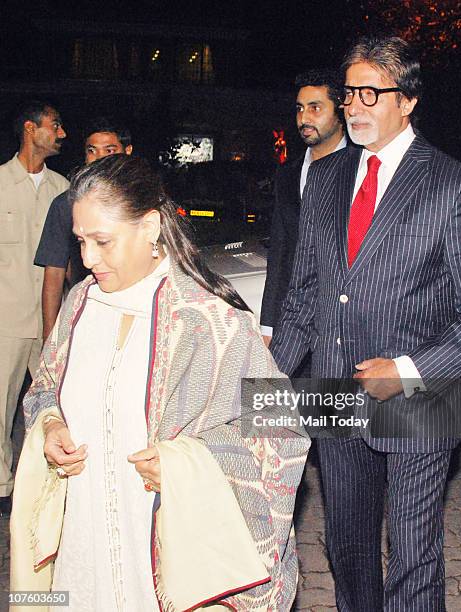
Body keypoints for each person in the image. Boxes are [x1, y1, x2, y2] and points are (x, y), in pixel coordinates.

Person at [11, 154, 310, 611]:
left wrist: (187, 464)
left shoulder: (211, 321)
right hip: (84, 541)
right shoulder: (78, 307)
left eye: (103, 242)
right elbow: (46, 386)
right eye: (81, 242)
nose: (88, 259)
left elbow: (281, 431)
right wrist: (50, 426)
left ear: (149, 227)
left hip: (170, 552)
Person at [270, 35, 461, 611]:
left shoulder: (459, 187)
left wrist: (411, 371)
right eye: (350, 94)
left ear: (408, 100)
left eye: (373, 93)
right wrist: (261, 379)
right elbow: (301, 299)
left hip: (428, 391)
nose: (356, 106)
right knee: (347, 545)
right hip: (334, 389)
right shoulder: (323, 178)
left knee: (415, 551)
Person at [0, 100, 67, 518]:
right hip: (6, 320)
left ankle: (52, 490)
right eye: (55, 126)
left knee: (55, 410)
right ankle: (3, 489)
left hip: (52, 323)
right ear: (30, 129)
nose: (61, 134)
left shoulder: (63, 188)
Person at [260, 69, 346, 353]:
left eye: (315, 108)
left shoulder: (363, 169)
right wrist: (268, 326)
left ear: (340, 111)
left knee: (333, 399)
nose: (304, 118)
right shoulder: (288, 173)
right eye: (299, 109)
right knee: (264, 396)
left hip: (344, 329)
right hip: (292, 324)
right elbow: (280, 253)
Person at [35, 117, 133, 341]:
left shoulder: (144, 202)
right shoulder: (66, 204)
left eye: (109, 150)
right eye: (92, 150)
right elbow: (54, 274)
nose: (99, 158)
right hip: (85, 317)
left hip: (136, 314)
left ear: (127, 151)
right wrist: (50, 339)